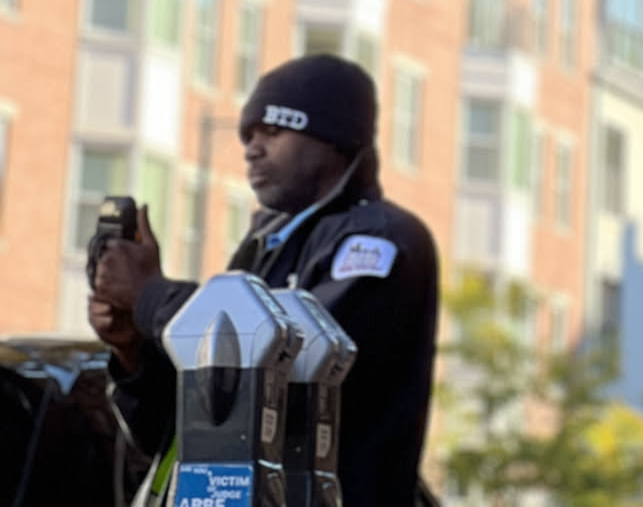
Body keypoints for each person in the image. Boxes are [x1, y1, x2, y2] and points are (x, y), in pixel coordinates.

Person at [90, 53, 439, 507]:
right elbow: (197, 426)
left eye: (272, 131)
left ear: (334, 140)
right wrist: (134, 350)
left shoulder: (380, 241)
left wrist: (152, 297)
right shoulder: (265, 244)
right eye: (247, 136)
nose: (251, 149)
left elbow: (299, 367)